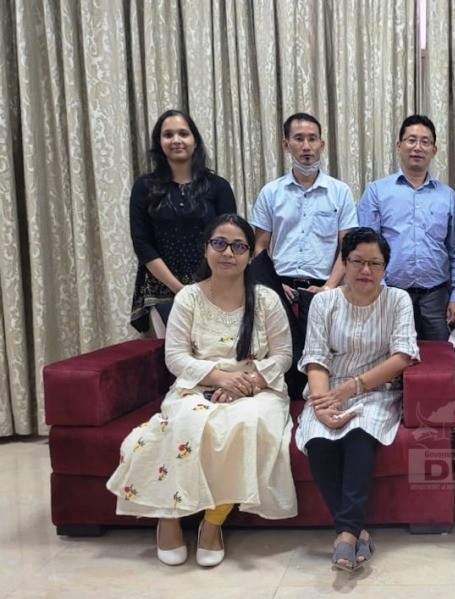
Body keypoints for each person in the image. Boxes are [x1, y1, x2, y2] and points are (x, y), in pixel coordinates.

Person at [107, 214, 297, 567]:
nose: (228, 253)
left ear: (249, 254)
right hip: (198, 386)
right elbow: (175, 357)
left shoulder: (266, 299)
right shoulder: (189, 298)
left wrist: (248, 383)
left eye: (238, 246)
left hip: (257, 387)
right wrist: (218, 378)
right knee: (187, 425)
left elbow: (284, 355)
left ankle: (213, 523)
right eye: (219, 243)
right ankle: (170, 517)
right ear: (206, 249)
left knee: (245, 426)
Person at [294, 227, 419, 572]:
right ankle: (354, 531)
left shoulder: (397, 300)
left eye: (375, 264)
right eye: (358, 262)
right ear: (345, 263)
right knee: (318, 440)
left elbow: (403, 355)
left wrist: (353, 388)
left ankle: (344, 535)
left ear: (385, 267)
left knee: (359, 436)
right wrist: (322, 403)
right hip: (327, 387)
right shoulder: (325, 301)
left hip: (376, 390)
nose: (366, 271)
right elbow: (315, 357)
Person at [249, 112, 358, 387]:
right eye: (299, 139)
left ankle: (316, 411)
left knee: (320, 361)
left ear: (322, 144)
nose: (306, 146)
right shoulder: (271, 192)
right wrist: (272, 286)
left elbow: (348, 247)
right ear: (287, 145)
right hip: (279, 290)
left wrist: (329, 287)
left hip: (323, 290)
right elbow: (259, 247)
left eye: (312, 139)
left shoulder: (340, 192)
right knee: (280, 361)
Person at [357, 114, 455, 340]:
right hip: (390, 295)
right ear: (399, 146)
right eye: (411, 140)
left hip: (436, 298)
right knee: (393, 364)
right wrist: (381, 291)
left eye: (425, 142)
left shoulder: (447, 195)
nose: (418, 147)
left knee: (438, 366)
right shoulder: (377, 191)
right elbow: (365, 250)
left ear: (434, 150)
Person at [129, 109, 237, 337]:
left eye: (183, 134)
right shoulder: (144, 188)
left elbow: (230, 241)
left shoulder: (218, 187)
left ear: (195, 141)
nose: (176, 140)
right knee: (178, 358)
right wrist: (180, 289)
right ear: (159, 143)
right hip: (164, 291)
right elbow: (142, 244)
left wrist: (208, 288)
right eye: (168, 135)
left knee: (218, 352)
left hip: (214, 288)